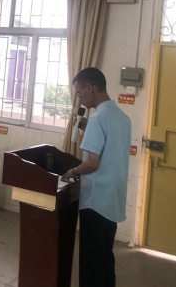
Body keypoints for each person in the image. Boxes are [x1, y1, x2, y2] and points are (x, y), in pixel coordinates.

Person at [61, 67, 131, 287]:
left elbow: (91, 163)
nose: (79, 98)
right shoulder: (122, 117)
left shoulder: (98, 118)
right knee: (104, 257)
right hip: (113, 199)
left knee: (91, 261)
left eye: (79, 92)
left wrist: (72, 172)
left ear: (89, 88)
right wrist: (86, 126)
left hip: (96, 200)